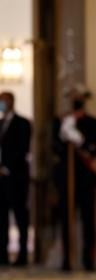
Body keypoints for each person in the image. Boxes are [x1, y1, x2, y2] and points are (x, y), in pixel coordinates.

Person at [52, 85, 96, 271]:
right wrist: (65, 136)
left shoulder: (93, 123)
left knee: (89, 221)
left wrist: (79, 140)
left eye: (79, 96)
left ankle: (88, 261)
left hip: (86, 179)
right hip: (66, 178)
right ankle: (67, 259)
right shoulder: (60, 123)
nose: (76, 99)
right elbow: (55, 148)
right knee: (66, 220)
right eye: (73, 96)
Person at [0, 91, 31, 266]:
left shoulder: (23, 124)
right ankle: (2, 254)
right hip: (1, 180)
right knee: (2, 219)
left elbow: (22, 149)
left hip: (16, 178)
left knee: (20, 217)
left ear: (11, 101)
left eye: (3, 101)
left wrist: (6, 167)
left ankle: (23, 255)